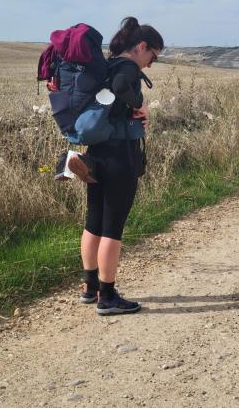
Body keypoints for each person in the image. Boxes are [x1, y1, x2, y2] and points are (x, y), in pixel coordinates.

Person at [69, 17, 164, 315]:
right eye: (153, 56)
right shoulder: (126, 69)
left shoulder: (107, 66)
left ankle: (90, 286)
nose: (150, 64)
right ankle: (108, 297)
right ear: (141, 46)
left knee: (93, 221)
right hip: (120, 157)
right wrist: (140, 104)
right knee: (113, 227)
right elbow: (125, 87)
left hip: (95, 153)